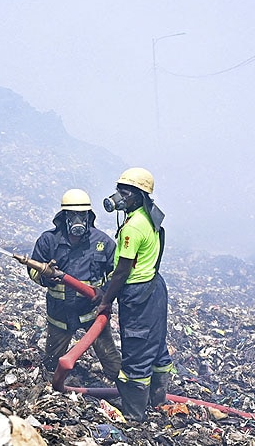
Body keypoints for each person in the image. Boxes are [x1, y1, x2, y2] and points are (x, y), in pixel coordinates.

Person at [93, 167, 172, 421]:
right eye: (119, 190)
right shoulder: (149, 216)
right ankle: (157, 401)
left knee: (136, 351)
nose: (119, 197)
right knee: (156, 346)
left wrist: (106, 301)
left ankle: (134, 413)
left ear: (140, 196)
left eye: (126, 192)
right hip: (155, 286)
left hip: (138, 293)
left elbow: (122, 271)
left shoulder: (133, 227)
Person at [28, 189, 121, 382]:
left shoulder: (102, 242)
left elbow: (118, 272)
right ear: (64, 216)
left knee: (111, 361)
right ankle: (55, 386)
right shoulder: (48, 240)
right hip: (60, 315)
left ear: (89, 216)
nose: (78, 219)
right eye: (72, 214)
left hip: (92, 313)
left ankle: (122, 389)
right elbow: (33, 270)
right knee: (51, 364)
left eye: (82, 214)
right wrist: (46, 278)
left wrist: (104, 291)